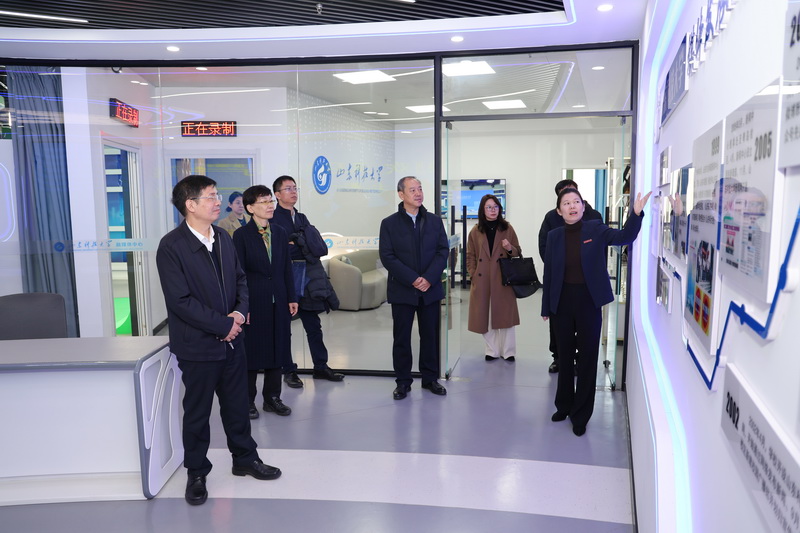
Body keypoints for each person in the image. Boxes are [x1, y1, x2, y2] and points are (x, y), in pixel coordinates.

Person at [156, 175, 281, 507]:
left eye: (217, 196)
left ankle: (245, 458)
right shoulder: (172, 246)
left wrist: (238, 314)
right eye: (210, 197)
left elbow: (241, 280)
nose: (218, 202)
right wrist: (223, 325)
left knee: (237, 405)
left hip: (233, 340)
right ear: (190, 204)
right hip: (197, 345)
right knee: (197, 413)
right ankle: (197, 472)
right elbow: (180, 301)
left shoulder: (223, 237)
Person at [541, 187, 651, 437]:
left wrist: (635, 214)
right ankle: (564, 405)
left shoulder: (595, 229)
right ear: (559, 211)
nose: (572, 206)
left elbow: (625, 237)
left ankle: (581, 414)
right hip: (561, 302)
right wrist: (546, 306)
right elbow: (549, 274)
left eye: (576, 202)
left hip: (589, 301)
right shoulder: (555, 236)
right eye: (566, 203)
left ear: (583, 206)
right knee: (564, 357)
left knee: (588, 357)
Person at [379, 176, 449, 400]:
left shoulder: (434, 221)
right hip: (403, 290)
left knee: (430, 336)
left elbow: (442, 251)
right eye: (412, 190)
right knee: (401, 338)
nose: (418, 193)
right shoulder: (389, 223)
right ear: (401, 195)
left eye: (420, 189)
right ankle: (403, 382)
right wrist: (413, 279)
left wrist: (428, 278)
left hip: (430, 289)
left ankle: (430, 379)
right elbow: (387, 256)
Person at [271, 175, 344, 386]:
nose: (293, 192)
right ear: (277, 195)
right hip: (287, 277)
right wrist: (298, 244)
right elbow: (280, 251)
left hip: (308, 276)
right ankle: (288, 370)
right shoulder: (273, 218)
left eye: (295, 188)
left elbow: (315, 245)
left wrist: (296, 243)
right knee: (284, 328)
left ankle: (321, 366)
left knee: (313, 326)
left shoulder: (301, 217)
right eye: (288, 188)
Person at [233, 185, 298, 419]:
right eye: (264, 202)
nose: (270, 205)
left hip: (278, 299)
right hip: (254, 301)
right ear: (250, 208)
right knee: (252, 351)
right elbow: (238, 274)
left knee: (278, 348)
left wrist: (291, 297)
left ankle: (272, 398)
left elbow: (286, 268)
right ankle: (248, 401)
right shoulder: (241, 235)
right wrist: (243, 306)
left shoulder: (279, 232)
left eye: (270, 201)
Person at [538, 179, 603, 374]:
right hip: (562, 282)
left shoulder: (593, 216)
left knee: (586, 331)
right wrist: (557, 265)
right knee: (559, 327)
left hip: (586, 285)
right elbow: (544, 245)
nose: (571, 205)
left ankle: (581, 361)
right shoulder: (551, 218)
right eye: (564, 198)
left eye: (573, 196)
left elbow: (604, 243)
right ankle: (558, 358)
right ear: (559, 205)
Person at [466, 194, 521, 361]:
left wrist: (509, 247)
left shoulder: (507, 228)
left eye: (496, 206)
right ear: (482, 210)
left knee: (505, 315)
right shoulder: (475, 231)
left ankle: (508, 351)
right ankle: (492, 350)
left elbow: (517, 252)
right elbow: (470, 255)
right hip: (482, 277)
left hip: (502, 277)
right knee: (484, 314)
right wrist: (473, 273)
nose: (493, 210)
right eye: (489, 207)